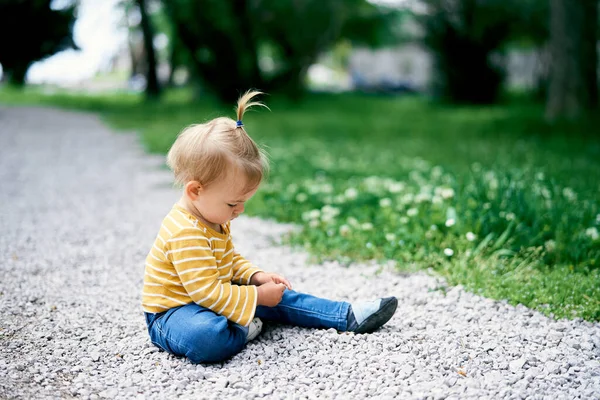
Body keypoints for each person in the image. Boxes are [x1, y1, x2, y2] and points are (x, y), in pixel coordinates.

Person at [142, 90, 398, 364]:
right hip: (175, 312)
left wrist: (255, 277)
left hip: (213, 298)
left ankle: (345, 314)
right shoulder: (185, 231)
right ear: (196, 190)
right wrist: (257, 296)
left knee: (280, 296)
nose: (239, 211)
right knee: (206, 337)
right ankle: (243, 326)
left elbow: (227, 262)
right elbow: (206, 292)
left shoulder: (212, 216)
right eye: (232, 204)